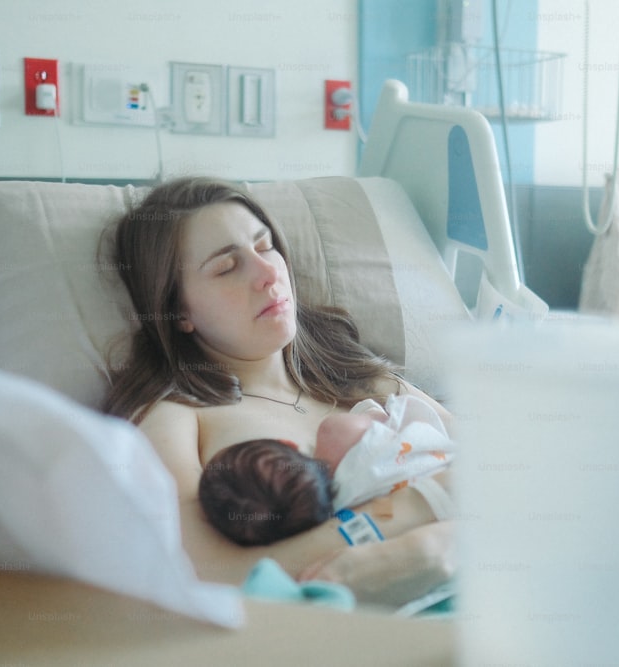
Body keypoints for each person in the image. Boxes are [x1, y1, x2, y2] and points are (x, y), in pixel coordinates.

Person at [102, 176, 456, 607]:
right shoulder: (177, 417)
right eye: (226, 267)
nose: (268, 273)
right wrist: (414, 526)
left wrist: (436, 543)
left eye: (265, 245)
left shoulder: (356, 372)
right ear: (178, 311)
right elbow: (206, 572)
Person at [198, 395, 454, 546]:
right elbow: (383, 412)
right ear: (287, 443)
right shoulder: (335, 436)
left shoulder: (346, 520)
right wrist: (370, 411)